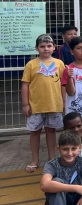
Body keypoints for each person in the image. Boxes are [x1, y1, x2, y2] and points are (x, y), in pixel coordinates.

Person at [23, 34, 65, 173]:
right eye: (42, 46)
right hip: (36, 106)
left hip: (54, 105)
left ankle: (52, 158)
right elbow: (25, 85)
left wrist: (64, 101)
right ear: (37, 48)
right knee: (34, 132)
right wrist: (25, 104)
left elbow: (63, 84)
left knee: (51, 131)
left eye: (49, 46)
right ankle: (35, 160)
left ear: (54, 47)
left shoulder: (59, 63)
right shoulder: (31, 64)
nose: (46, 49)